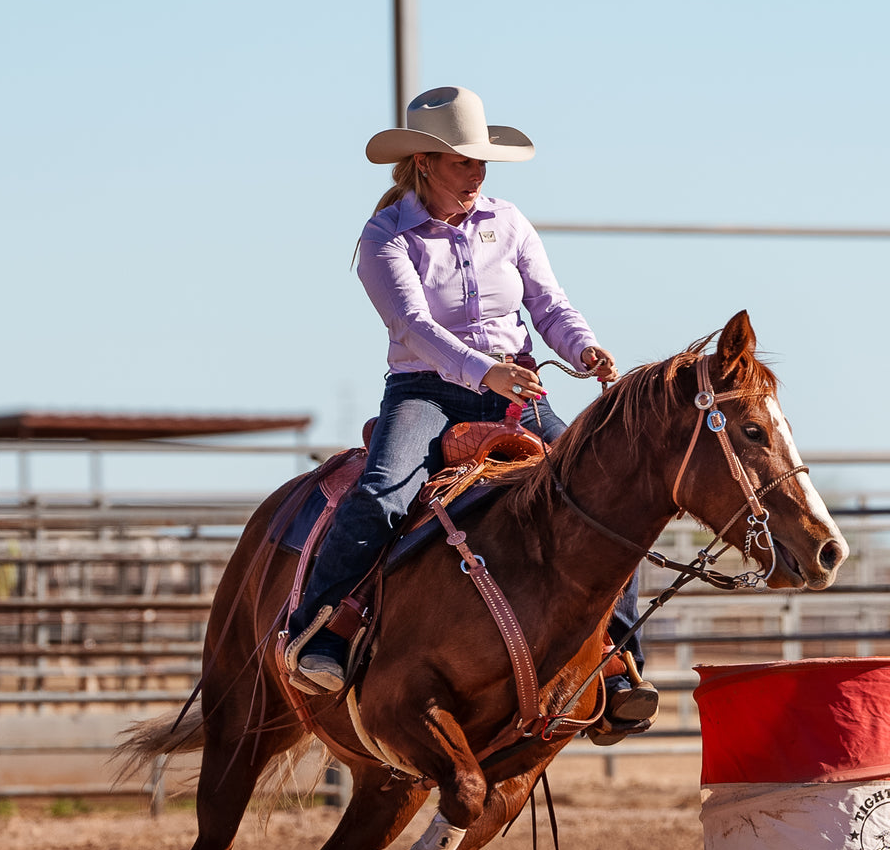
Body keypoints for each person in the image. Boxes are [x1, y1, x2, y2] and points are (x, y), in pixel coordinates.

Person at [281, 85, 655, 736]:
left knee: (603, 494)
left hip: (517, 389)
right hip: (428, 391)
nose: (476, 171)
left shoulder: (508, 222)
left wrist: (583, 346)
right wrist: (490, 373)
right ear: (423, 162)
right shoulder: (385, 237)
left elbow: (547, 303)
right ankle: (320, 628)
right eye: (462, 160)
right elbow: (413, 326)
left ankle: (615, 656)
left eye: (482, 160)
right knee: (384, 490)